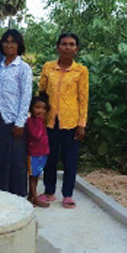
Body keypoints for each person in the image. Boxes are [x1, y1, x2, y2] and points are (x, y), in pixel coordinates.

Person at [38, 33, 89, 209]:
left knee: (70, 160)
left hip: (71, 122)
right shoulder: (48, 68)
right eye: (64, 44)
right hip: (50, 121)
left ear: (77, 49)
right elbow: (41, 93)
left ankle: (67, 194)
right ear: (58, 47)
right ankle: (49, 191)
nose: (68, 47)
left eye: (71, 44)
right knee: (49, 158)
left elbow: (83, 98)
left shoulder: (81, 71)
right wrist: (38, 116)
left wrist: (81, 124)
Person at [0, 29, 32, 196]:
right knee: (0, 159)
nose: (9, 45)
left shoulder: (23, 68)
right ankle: (1, 195)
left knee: (16, 160)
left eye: (13, 42)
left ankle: (19, 196)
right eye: (6, 42)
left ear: (19, 45)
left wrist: (20, 122)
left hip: (15, 121)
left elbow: (26, 95)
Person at [26, 92, 50, 207]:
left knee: (36, 175)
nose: (41, 111)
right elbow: (37, 135)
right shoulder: (31, 122)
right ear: (31, 108)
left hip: (42, 153)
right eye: (37, 107)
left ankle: (31, 196)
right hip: (33, 154)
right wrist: (40, 121)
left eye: (44, 108)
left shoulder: (41, 122)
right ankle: (35, 197)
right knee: (33, 176)